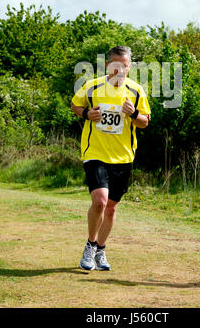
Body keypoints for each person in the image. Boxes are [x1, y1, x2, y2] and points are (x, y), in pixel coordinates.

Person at [70, 46, 151, 271]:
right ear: (108, 65)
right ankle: (90, 245)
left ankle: (100, 250)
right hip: (95, 153)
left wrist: (133, 113)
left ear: (129, 66)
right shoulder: (93, 86)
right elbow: (75, 105)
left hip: (123, 156)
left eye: (124, 66)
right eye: (115, 65)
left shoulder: (136, 91)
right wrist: (87, 114)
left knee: (112, 208)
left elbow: (145, 121)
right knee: (100, 201)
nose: (119, 70)